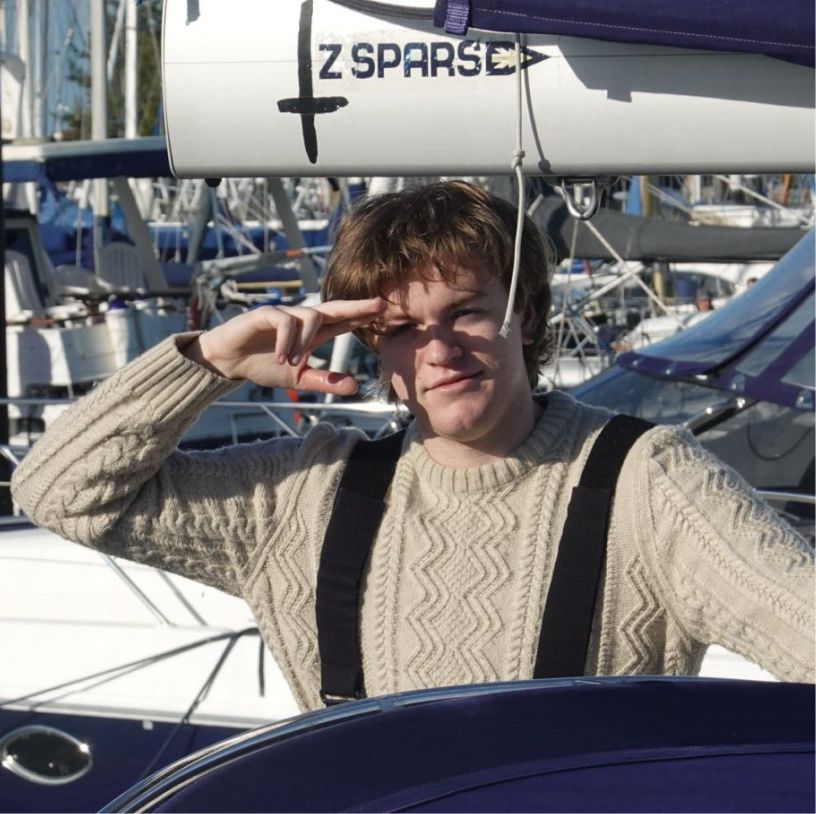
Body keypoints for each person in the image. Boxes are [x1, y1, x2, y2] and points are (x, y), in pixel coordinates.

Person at [11, 181, 814, 712]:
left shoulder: (648, 483)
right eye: (399, 328)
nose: (438, 350)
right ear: (368, 342)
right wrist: (212, 363)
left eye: (465, 312)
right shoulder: (303, 494)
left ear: (525, 317)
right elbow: (59, 493)